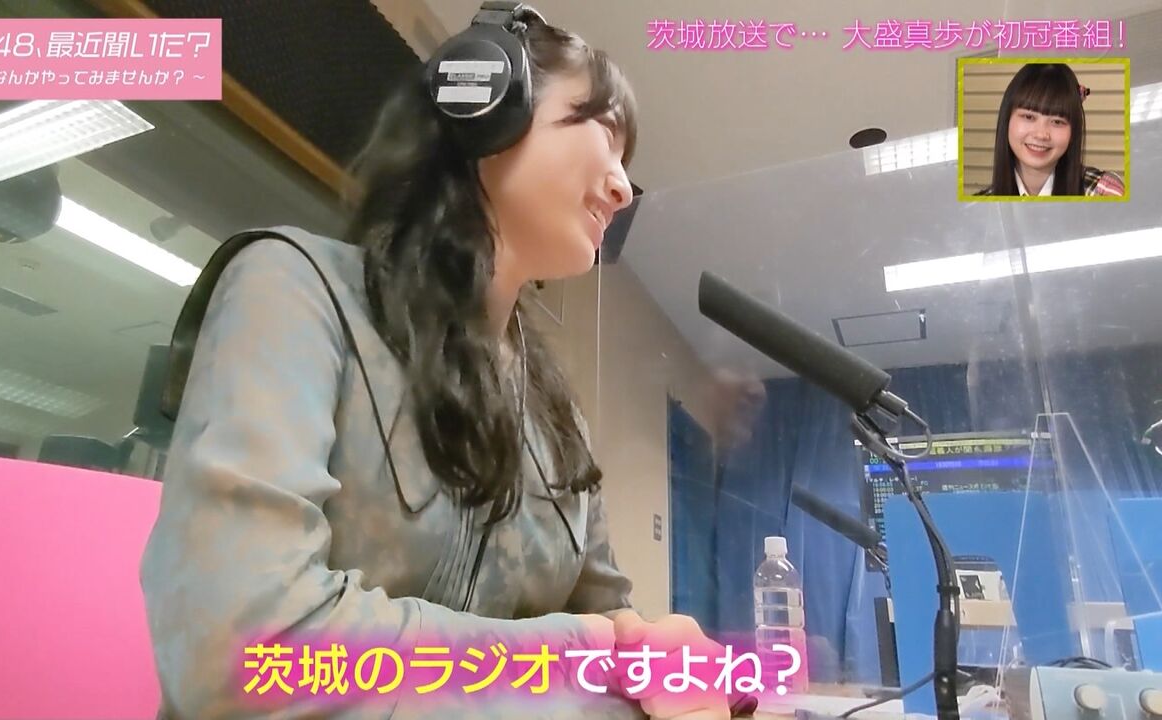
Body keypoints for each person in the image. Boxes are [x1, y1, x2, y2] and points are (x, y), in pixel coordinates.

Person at [140, 4, 741, 718]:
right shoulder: (290, 287)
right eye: (602, 136)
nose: (620, 188)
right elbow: (239, 655)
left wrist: (662, 667)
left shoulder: (559, 420)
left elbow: (614, 629)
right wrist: (572, 656)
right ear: (484, 106)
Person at [974, 63, 1124, 197]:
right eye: (1028, 117)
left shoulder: (1105, 193)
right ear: (1007, 119)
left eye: (1057, 122)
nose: (1041, 134)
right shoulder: (977, 208)